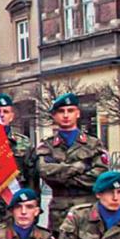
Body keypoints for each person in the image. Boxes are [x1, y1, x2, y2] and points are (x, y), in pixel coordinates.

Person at [37, 93, 111, 227]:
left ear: (77, 113)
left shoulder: (93, 144)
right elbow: (45, 172)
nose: (66, 115)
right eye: (61, 111)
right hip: (60, 211)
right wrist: (81, 166)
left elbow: (99, 176)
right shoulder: (47, 145)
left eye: (70, 111)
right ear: (54, 116)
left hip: (88, 208)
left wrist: (62, 174)